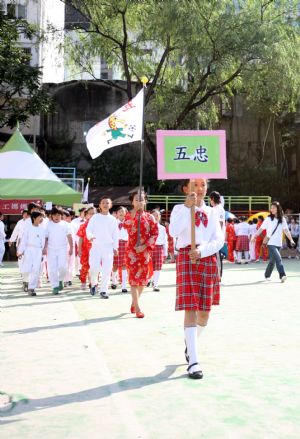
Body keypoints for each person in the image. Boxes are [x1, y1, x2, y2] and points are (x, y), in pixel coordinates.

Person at [169, 179, 224, 379]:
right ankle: (193, 361)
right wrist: (186, 207)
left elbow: (219, 240)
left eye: (202, 185)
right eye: (194, 186)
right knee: (190, 307)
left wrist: (202, 251)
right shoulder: (178, 209)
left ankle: (190, 345)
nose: (199, 189)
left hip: (206, 258)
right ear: (186, 189)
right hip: (186, 258)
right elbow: (173, 232)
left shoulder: (213, 212)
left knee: (205, 313)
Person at [124, 191, 158, 318]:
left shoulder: (150, 217)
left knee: (143, 281)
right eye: (136, 200)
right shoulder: (129, 215)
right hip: (131, 251)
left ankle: (134, 302)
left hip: (144, 252)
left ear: (145, 201)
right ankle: (138, 308)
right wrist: (134, 213)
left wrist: (144, 246)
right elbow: (126, 225)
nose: (139, 202)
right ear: (132, 202)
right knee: (133, 280)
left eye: (141, 199)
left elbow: (155, 233)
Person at [252, 201, 295, 282]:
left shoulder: (282, 219)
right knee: (278, 258)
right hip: (270, 242)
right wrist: (255, 236)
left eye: (274, 208)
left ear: (278, 209)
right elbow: (261, 228)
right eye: (271, 208)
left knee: (272, 260)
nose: (272, 209)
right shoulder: (268, 219)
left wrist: (291, 239)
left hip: (278, 243)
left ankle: (267, 275)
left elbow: (286, 230)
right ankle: (282, 275)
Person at [86, 198, 118, 298]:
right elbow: (89, 229)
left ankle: (103, 290)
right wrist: (90, 236)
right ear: (99, 205)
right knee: (94, 268)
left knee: (107, 269)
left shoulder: (113, 219)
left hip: (108, 247)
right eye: (103, 203)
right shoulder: (95, 217)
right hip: (96, 246)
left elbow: (115, 234)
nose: (105, 204)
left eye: (107, 203)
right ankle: (94, 283)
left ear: (111, 205)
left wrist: (115, 247)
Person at [44, 207, 73, 295]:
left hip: (62, 249)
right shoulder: (48, 225)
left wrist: (71, 248)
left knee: (62, 267)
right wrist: (45, 248)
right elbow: (46, 237)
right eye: (55, 215)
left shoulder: (65, 224)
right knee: (52, 269)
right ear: (51, 216)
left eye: (58, 215)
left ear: (61, 216)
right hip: (51, 249)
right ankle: (55, 286)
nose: (57, 217)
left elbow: (69, 236)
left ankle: (60, 280)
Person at [17, 212, 45, 296]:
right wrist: (20, 251)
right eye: (39, 217)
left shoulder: (42, 229)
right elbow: (23, 241)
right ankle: (26, 282)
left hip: (38, 251)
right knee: (26, 268)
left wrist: (41, 253)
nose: (41, 219)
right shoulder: (28, 228)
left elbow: (43, 242)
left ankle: (31, 288)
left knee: (36, 269)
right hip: (29, 250)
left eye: (41, 217)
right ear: (34, 218)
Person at [77, 207, 96, 290]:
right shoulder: (83, 225)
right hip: (85, 249)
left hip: (96, 249)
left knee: (95, 266)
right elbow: (80, 238)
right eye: (90, 213)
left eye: (93, 213)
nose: (92, 215)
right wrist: (79, 249)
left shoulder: (99, 225)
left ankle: (93, 282)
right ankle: (83, 281)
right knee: (85, 266)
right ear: (86, 215)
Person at [111, 206, 129, 293]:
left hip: (126, 245)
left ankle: (124, 285)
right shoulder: (113, 222)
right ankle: (114, 281)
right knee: (115, 265)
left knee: (124, 265)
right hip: (116, 244)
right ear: (116, 214)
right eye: (120, 211)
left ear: (126, 213)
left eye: (123, 211)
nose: (121, 213)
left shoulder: (129, 223)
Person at [209, 191, 226, 278]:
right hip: (213, 236)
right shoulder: (215, 208)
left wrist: (216, 234)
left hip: (217, 236)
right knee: (215, 256)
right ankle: (216, 275)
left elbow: (220, 223)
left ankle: (219, 277)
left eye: (210, 199)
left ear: (212, 199)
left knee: (218, 257)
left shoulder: (219, 208)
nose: (210, 201)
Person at [151, 210, 168, 291]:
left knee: (158, 267)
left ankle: (155, 284)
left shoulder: (162, 228)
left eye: (157, 215)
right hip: (150, 248)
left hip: (159, 248)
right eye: (154, 215)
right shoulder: (148, 227)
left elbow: (165, 240)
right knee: (149, 266)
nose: (156, 217)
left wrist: (165, 252)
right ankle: (150, 280)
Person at [71, 207, 86, 275]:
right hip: (76, 240)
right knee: (77, 256)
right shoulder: (74, 221)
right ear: (80, 213)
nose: (85, 214)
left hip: (86, 241)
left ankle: (82, 269)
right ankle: (77, 270)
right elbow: (72, 232)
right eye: (84, 212)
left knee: (84, 256)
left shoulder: (88, 221)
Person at [62, 210, 75, 287]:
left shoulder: (70, 225)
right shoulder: (60, 225)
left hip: (70, 246)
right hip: (62, 247)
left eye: (64, 216)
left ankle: (69, 279)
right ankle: (64, 280)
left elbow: (73, 238)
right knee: (63, 264)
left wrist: (72, 248)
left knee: (70, 264)